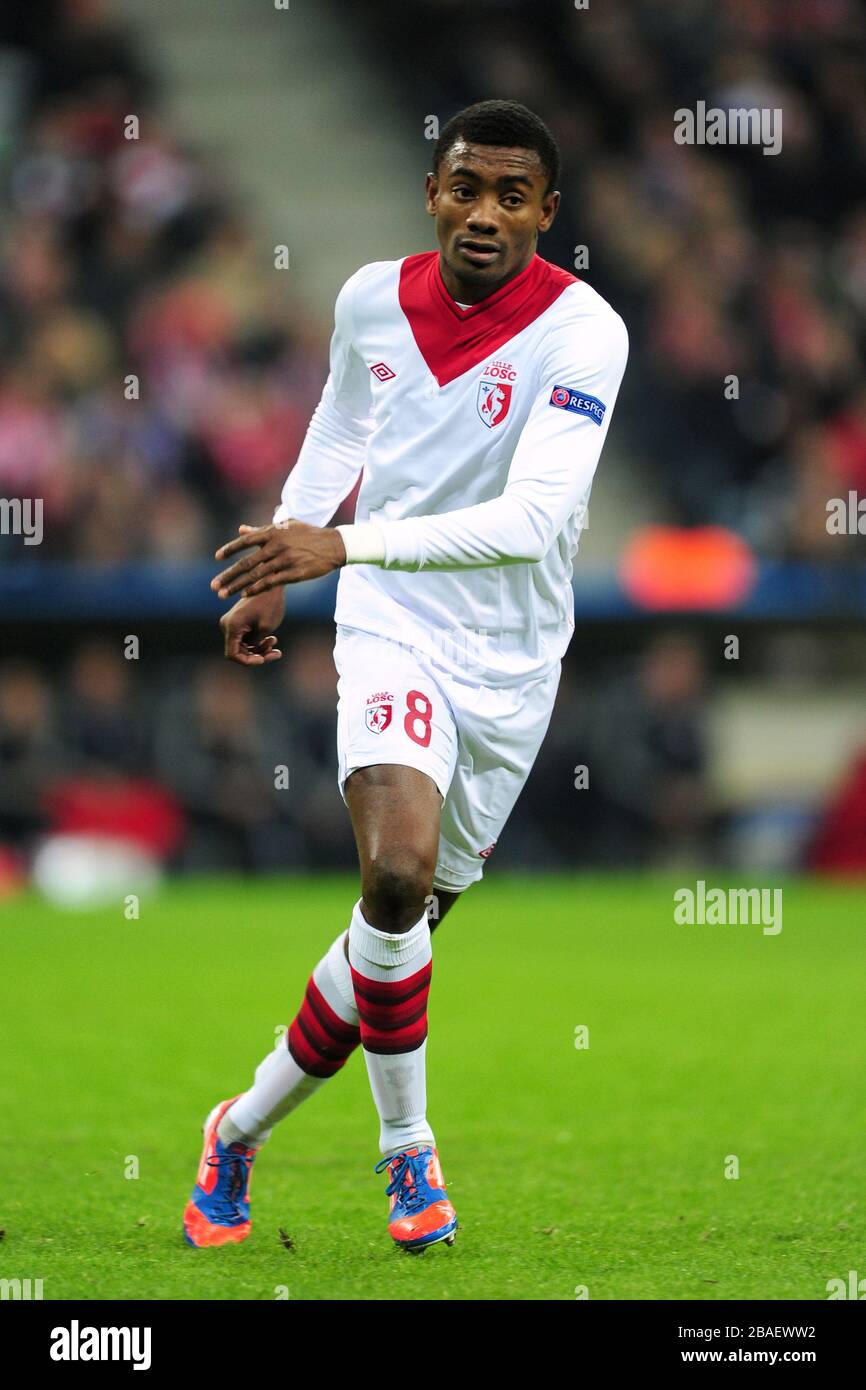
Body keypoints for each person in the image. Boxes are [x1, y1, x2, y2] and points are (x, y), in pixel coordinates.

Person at [183, 99, 628, 1253]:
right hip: (390, 623)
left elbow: (532, 522)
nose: (483, 213)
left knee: (399, 926)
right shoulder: (371, 299)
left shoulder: (585, 334)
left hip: (513, 659)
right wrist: (289, 547)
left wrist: (339, 542)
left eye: (510, 194)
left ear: (547, 211)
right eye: (463, 186)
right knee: (394, 869)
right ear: (431, 190)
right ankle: (407, 1155)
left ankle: (237, 1127)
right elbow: (341, 423)